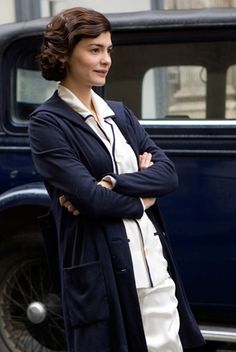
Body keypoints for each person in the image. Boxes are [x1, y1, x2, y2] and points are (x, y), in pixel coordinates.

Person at [29, 7, 205, 352]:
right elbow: (90, 200)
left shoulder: (120, 114)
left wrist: (112, 182)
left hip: (153, 263)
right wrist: (142, 194)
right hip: (102, 272)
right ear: (65, 54)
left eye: (108, 50)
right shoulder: (47, 123)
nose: (105, 59)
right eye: (94, 50)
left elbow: (167, 175)